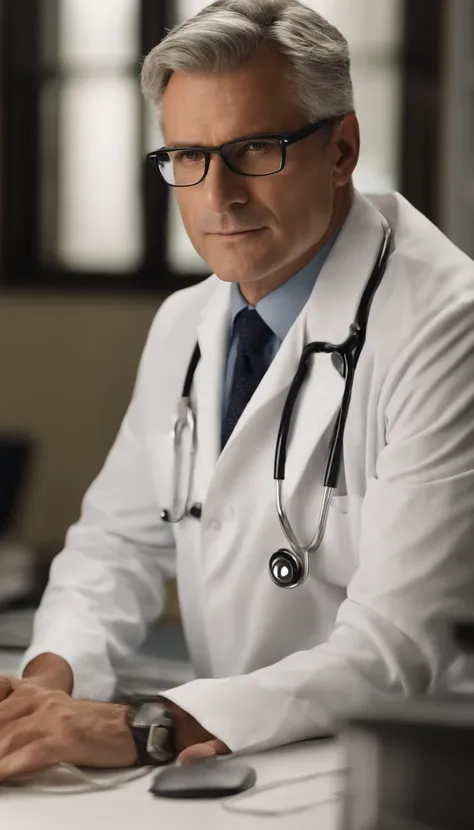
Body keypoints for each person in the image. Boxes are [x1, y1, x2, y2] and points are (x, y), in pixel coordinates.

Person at [0, 0, 474, 782]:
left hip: (407, 772)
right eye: (188, 155)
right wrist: (47, 690)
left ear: (343, 148)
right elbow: (114, 549)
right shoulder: (186, 321)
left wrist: (145, 726)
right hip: (229, 761)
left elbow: (399, 644)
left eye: (255, 150)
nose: (218, 195)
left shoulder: (447, 328)